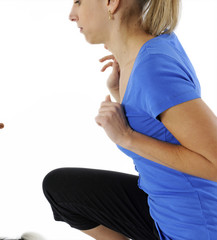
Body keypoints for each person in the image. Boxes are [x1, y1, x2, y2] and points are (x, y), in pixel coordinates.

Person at [42, 0, 217, 239]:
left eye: (79, 2)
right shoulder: (142, 55)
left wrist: (127, 138)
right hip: (162, 207)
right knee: (60, 188)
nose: (72, 15)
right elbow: (160, 125)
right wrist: (119, 93)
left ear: (111, 2)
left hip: (194, 228)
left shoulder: (152, 68)